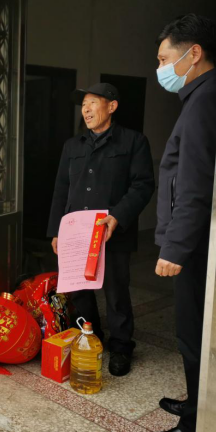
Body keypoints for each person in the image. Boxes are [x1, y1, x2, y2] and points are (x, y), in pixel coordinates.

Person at [143, 14, 216, 432]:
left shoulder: (205, 99)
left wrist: (174, 247)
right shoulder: (198, 97)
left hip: (193, 246)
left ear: (194, 53)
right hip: (193, 240)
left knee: (193, 335)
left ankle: (193, 429)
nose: (160, 68)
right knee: (192, 332)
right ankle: (195, 403)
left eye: (163, 59)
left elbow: (195, 184)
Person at [48, 83, 155, 377]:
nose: (86, 109)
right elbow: (61, 189)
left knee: (116, 291)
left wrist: (117, 216)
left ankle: (121, 346)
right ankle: (90, 336)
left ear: (112, 106)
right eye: (83, 104)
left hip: (111, 232)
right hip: (76, 232)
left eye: (93, 102)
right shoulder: (73, 146)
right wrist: (56, 231)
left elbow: (143, 185)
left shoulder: (133, 142)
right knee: (80, 290)